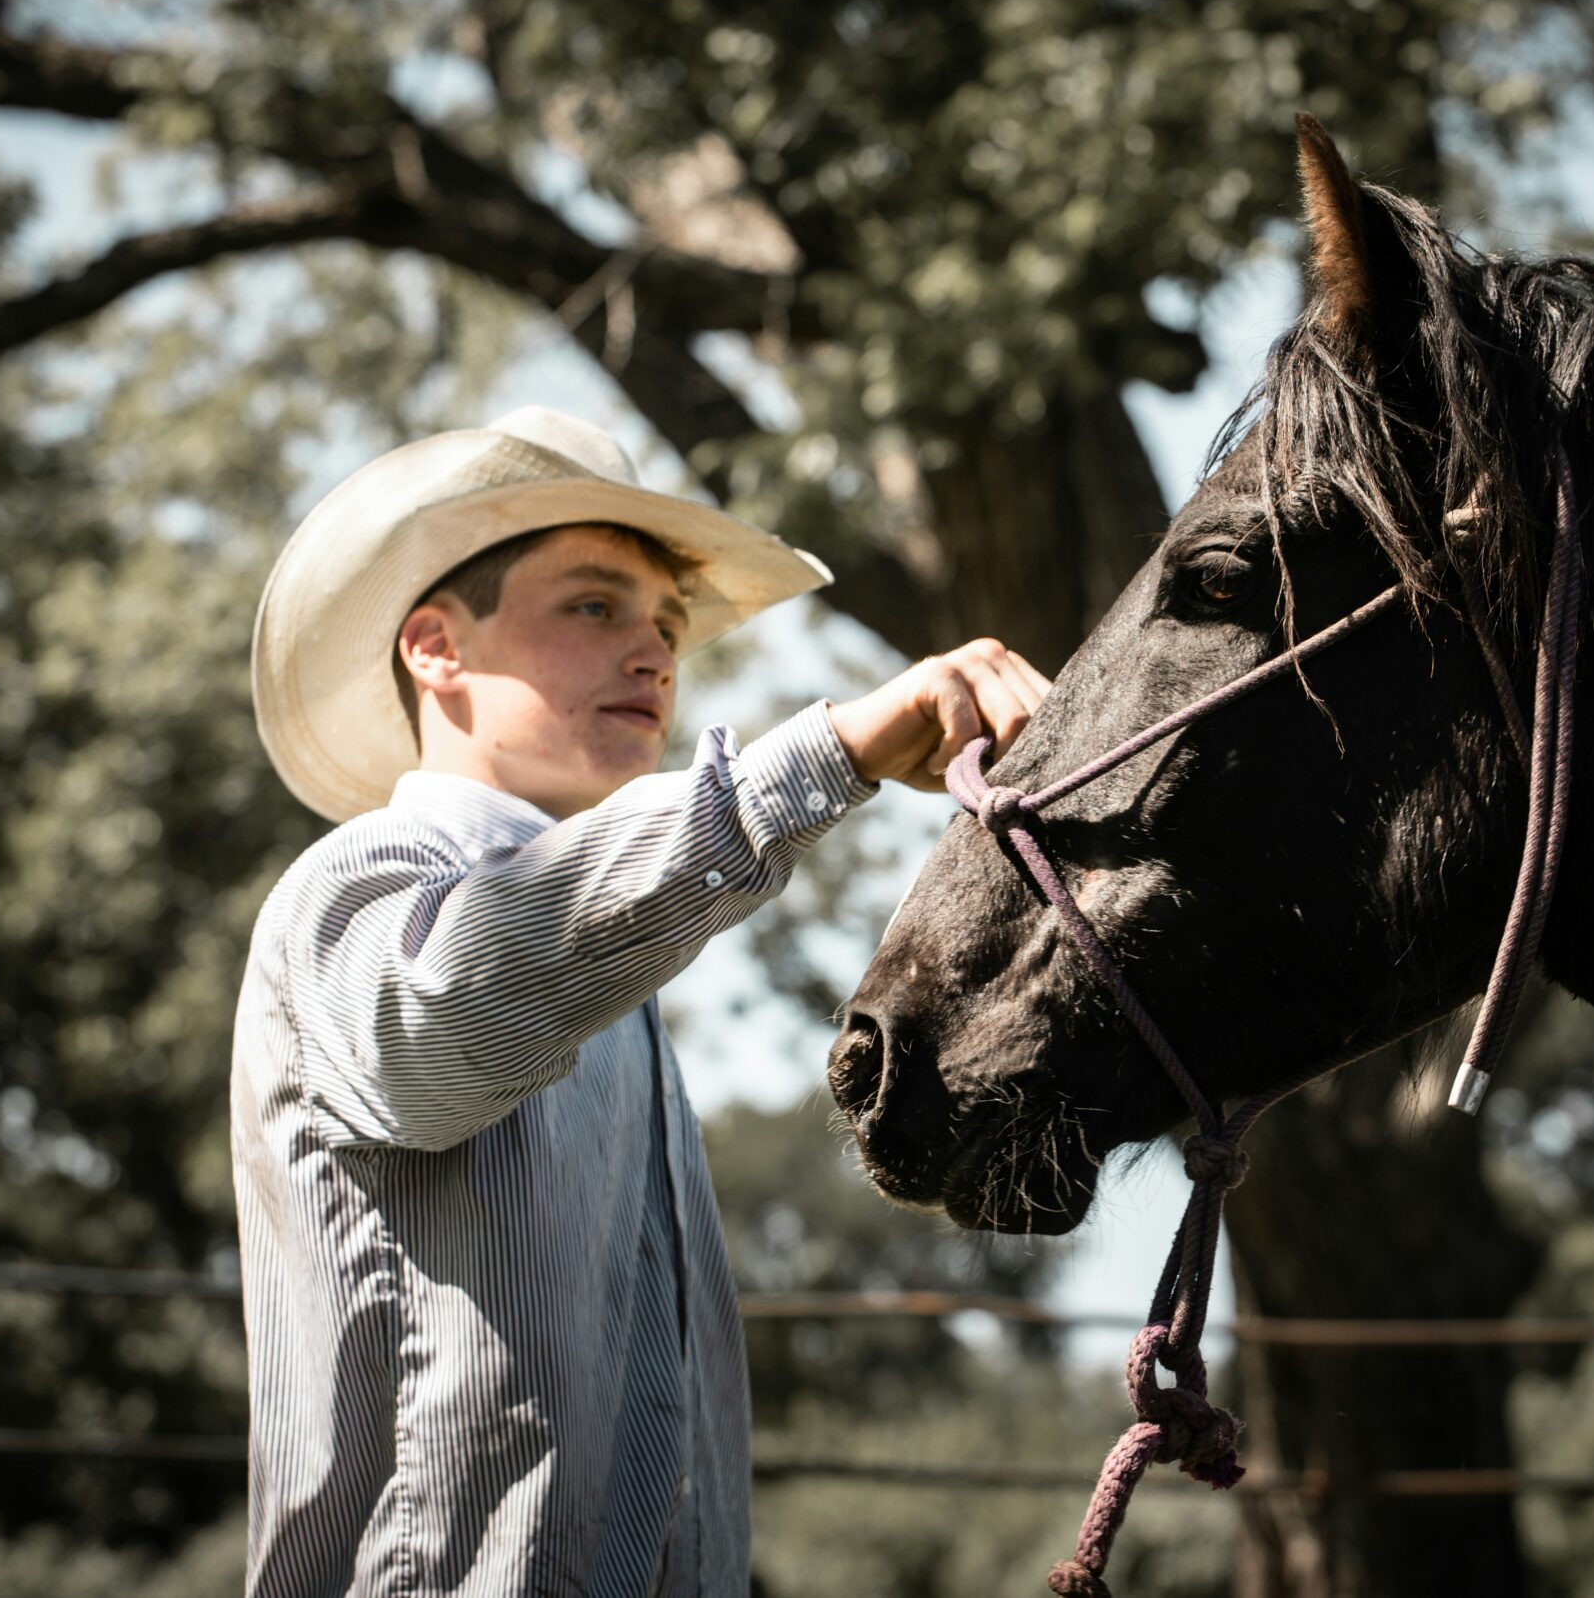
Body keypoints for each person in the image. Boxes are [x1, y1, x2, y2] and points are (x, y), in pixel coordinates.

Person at [234, 406, 1048, 1597]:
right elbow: (447, 1017)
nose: (656, 653)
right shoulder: (348, 891)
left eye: (669, 624)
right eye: (594, 606)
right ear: (434, 649)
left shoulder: (621, 976)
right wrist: (825, 758)